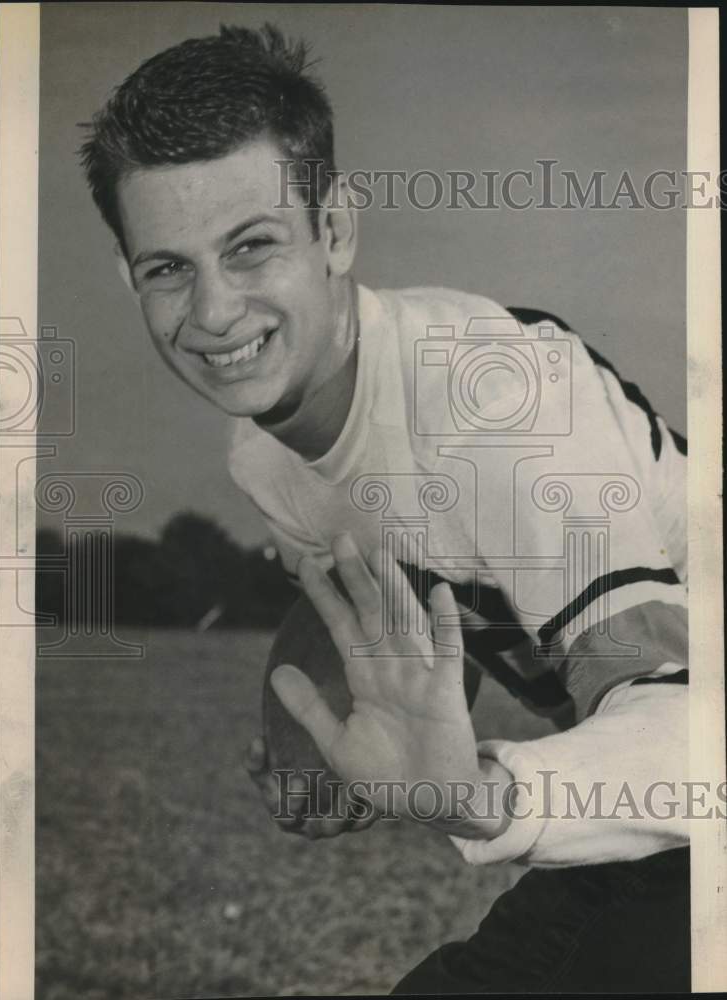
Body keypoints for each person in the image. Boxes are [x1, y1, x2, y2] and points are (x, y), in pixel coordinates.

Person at [80, 23, 691, 992]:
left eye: (252, 247)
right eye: (168, 268)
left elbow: (690, 717)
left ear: (337, 230)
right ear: (129, 276)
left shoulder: (498, 403)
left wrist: (481, 794)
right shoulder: (266, 458)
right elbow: (418, 579)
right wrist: (319, 727)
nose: (213, 313)